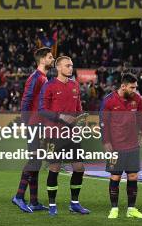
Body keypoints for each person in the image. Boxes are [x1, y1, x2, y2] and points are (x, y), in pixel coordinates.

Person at [38, 56, 90, 216]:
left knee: (79, 168)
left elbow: (78, 107)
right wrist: (61, 116)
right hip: (54, 134)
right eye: (67, 65)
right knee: (55, 167)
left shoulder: (75, 85)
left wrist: (82, 118)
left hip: (72, 134)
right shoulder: (49, 86)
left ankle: (74, 203)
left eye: (72, 65)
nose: (70, 68)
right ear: (59, 68)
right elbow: (42, 110)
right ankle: (52, 204)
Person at [100, 73, 142, 219]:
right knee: (115, 176)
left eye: (135, 87)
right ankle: (114, 209)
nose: (134, 90)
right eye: (132, 87)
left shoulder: (137, 99)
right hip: (115, 146)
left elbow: (140, 118)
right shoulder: (109, 100)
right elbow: (103, 123)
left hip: (133, 144)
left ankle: (131, 209)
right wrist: (106, 141)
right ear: (123, 86)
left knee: (133, 176)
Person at [12, 47, 54, 213]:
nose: (52, 59)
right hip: (34, 124)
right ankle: (19, 196)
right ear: (42, 59)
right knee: (34, 161)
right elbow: (26, 100)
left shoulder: (43, 77)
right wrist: (25, 123)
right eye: (50, 57)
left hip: (40, 124)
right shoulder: (35, 77)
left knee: (37, 162)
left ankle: (34, 201)